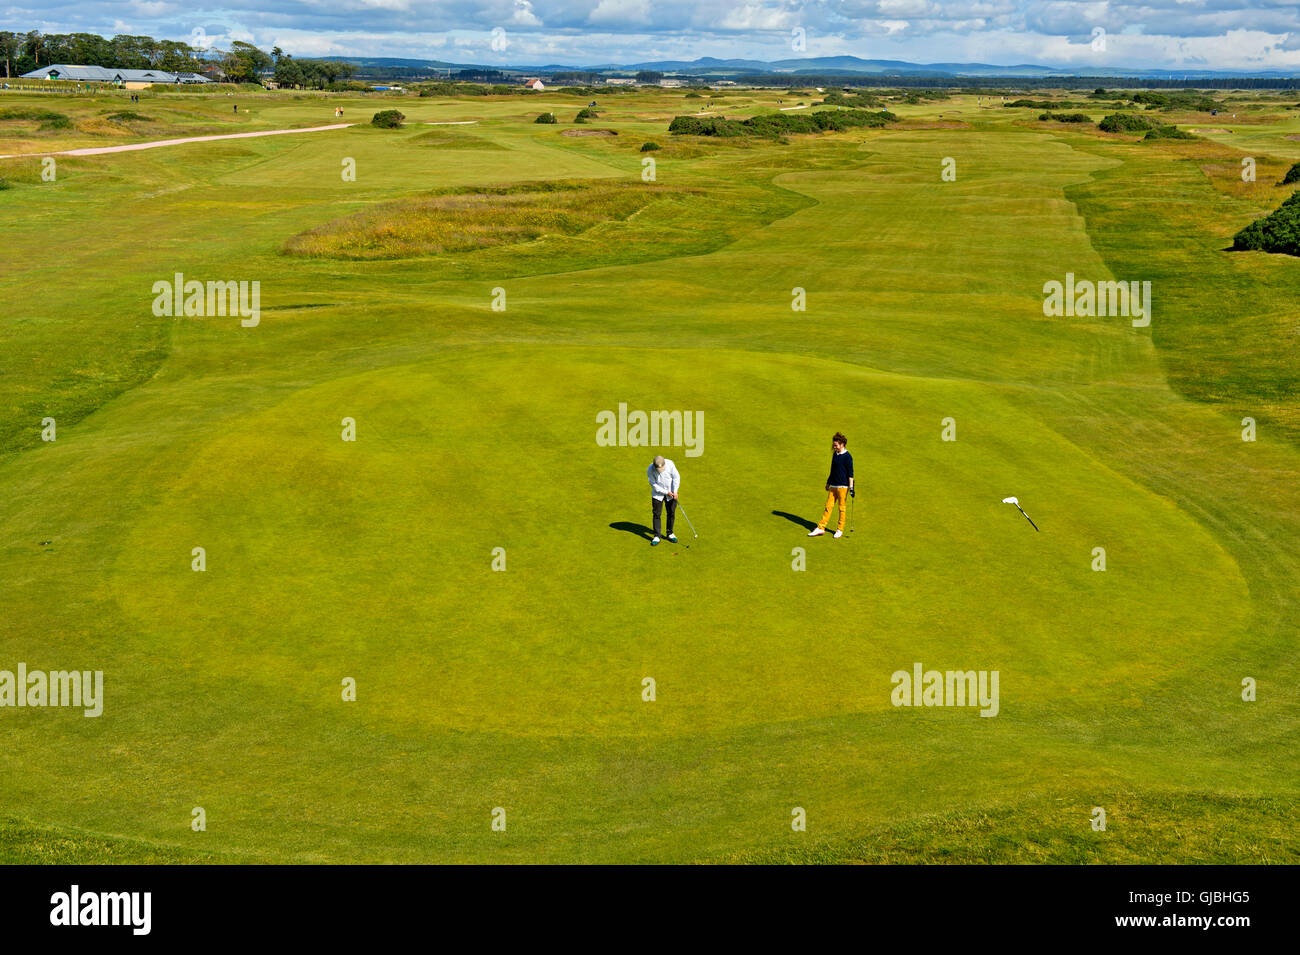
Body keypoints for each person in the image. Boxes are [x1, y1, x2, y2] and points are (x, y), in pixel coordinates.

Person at [809, 432, 853, 538]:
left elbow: (851, 473)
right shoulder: (835, 454)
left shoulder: (848, 457)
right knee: (828, 506)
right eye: (834, 445)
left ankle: (840, 529)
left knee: (841, 508)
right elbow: (832, 470)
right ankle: (821, 527)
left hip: (843, 487)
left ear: (842, 444)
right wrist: (828, 482)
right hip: (833, 485)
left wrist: (851, 488)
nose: (834, 447)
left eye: (836, 445)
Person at [646, 455, 680, 546]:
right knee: (657, 514)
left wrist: (675, 491)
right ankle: (657, 535)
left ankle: (670, 533)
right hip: (658, 494)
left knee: (671, 513)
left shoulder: (670, 464)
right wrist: (666, 492)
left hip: (671, 492)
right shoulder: (650, 469)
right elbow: (654, 485)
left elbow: (676, 477)